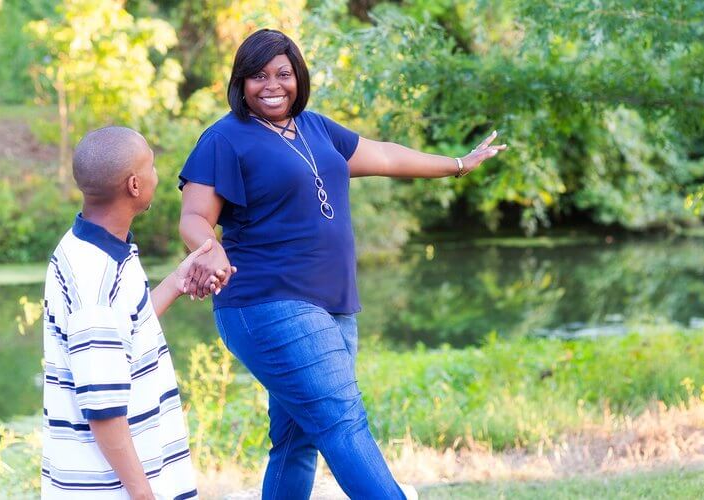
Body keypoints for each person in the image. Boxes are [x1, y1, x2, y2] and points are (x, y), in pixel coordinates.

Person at [178, 29, 506, 499]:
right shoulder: (224, 138)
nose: (271, 85)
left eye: (283, 74)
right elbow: (193, 217)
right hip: (268, 302)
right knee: (341, 422)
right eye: (257, 75)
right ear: (240, 82)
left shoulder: (316, 128)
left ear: (299, 77)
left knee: (297, 441)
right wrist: (212, 251)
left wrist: (457, 163)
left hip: (333, 305)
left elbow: (388, 156)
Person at [41, 126, 226, 499]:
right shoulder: (96, 283)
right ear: (134, 185)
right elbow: (104, 411)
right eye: (152, 167)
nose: (158, 175)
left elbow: (123, 335)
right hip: (110, 490)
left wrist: (176, 281)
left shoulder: (96, 248)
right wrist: (143, 494)